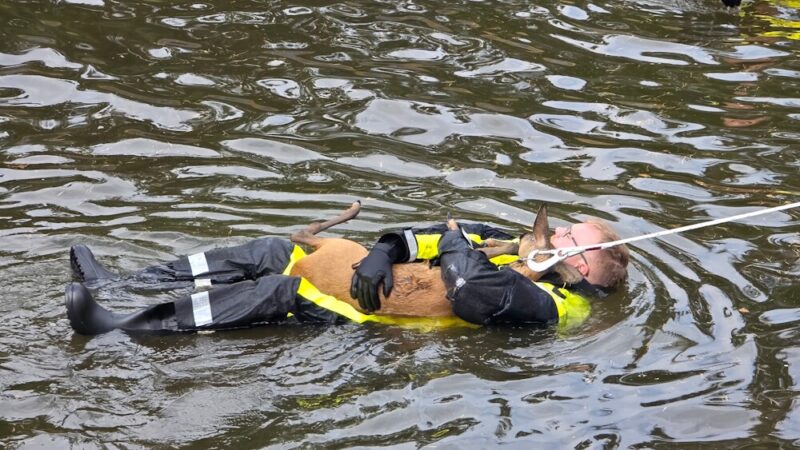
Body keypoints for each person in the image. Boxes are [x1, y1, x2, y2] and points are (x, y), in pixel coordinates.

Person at [65, 215, 629, 335]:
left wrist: (457, 242)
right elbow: (430, 233)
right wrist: (385, 248)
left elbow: (473, 291)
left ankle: (118, 323)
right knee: (269, 250)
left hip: (374, 320)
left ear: (580, 266)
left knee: (282, 289)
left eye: (567, 239)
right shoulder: (518, 244)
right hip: (380, 277)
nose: (552, 237)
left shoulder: (560, 305)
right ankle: (126, 282)